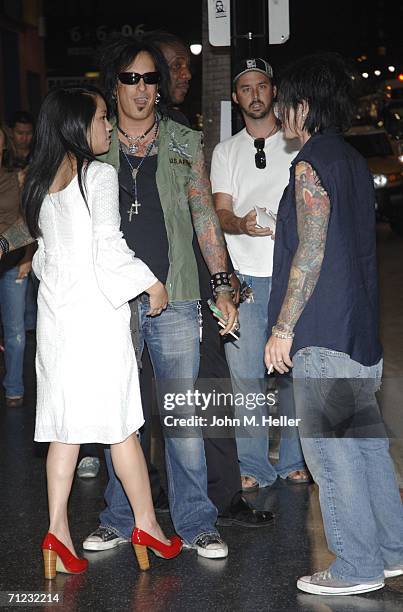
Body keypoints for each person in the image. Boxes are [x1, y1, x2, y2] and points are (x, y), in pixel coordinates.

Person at [83, 36, 238, 559]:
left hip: (178, 299)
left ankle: (197, 523)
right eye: (131, 78)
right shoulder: (93, 141)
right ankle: (120, 516)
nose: (142, 88)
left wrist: (222, 285)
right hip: (113, 299)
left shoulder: (183, 140)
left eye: (150, 78)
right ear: (115, 84)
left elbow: (203, 217)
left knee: (183, 419)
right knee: (119, 414)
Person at [22, 86, 182, 577]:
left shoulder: (39, 181)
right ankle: (148, 526)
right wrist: (153, 284)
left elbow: (46, 261)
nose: (108, 126)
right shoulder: (101, 175)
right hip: (96, 320)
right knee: (121, 428)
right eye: (100, 117)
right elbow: (108, 250)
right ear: (77, 125)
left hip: (57, 323)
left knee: (64, 433)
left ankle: (57, 532)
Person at [264, 53, 403, 595]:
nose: (279, 115)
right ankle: (390, 552)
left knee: (334, 452)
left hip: (323, 331)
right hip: (359, 332)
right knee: (365, 448)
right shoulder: (348, 158)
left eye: (284, 104)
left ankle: (355, 565)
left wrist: (282, 328)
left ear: (303, 105)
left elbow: (313, 252)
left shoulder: (310, 164)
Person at [144, 32, 274, 527]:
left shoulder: (180, 130)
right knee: (161, 399)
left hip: (199, 285)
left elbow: (203, 216)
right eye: (176, 66)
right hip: (156, 287)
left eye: (184, 67)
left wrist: (222, 280)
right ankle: (159, 494)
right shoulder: (125, 135)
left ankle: (221, 496)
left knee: (212, 389)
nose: (186, 75)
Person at [211, 58, 308, 491]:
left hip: (291, 275)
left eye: (262, 86)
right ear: (236, 98)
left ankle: (293, 460)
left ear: (273, 91)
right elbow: (220, 212)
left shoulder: (296, 144)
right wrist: (241, 225)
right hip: (246, 277)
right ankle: (252, 462)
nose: (254, 94)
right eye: (246, 88)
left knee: (290, 370)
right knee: (246, 374)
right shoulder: (225, 151)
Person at [0, 123, 34, 407]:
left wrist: (27, 257)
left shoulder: (16, 176)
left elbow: (28, 221)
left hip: (11, 263)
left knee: (15, 331)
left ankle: (14, 387)